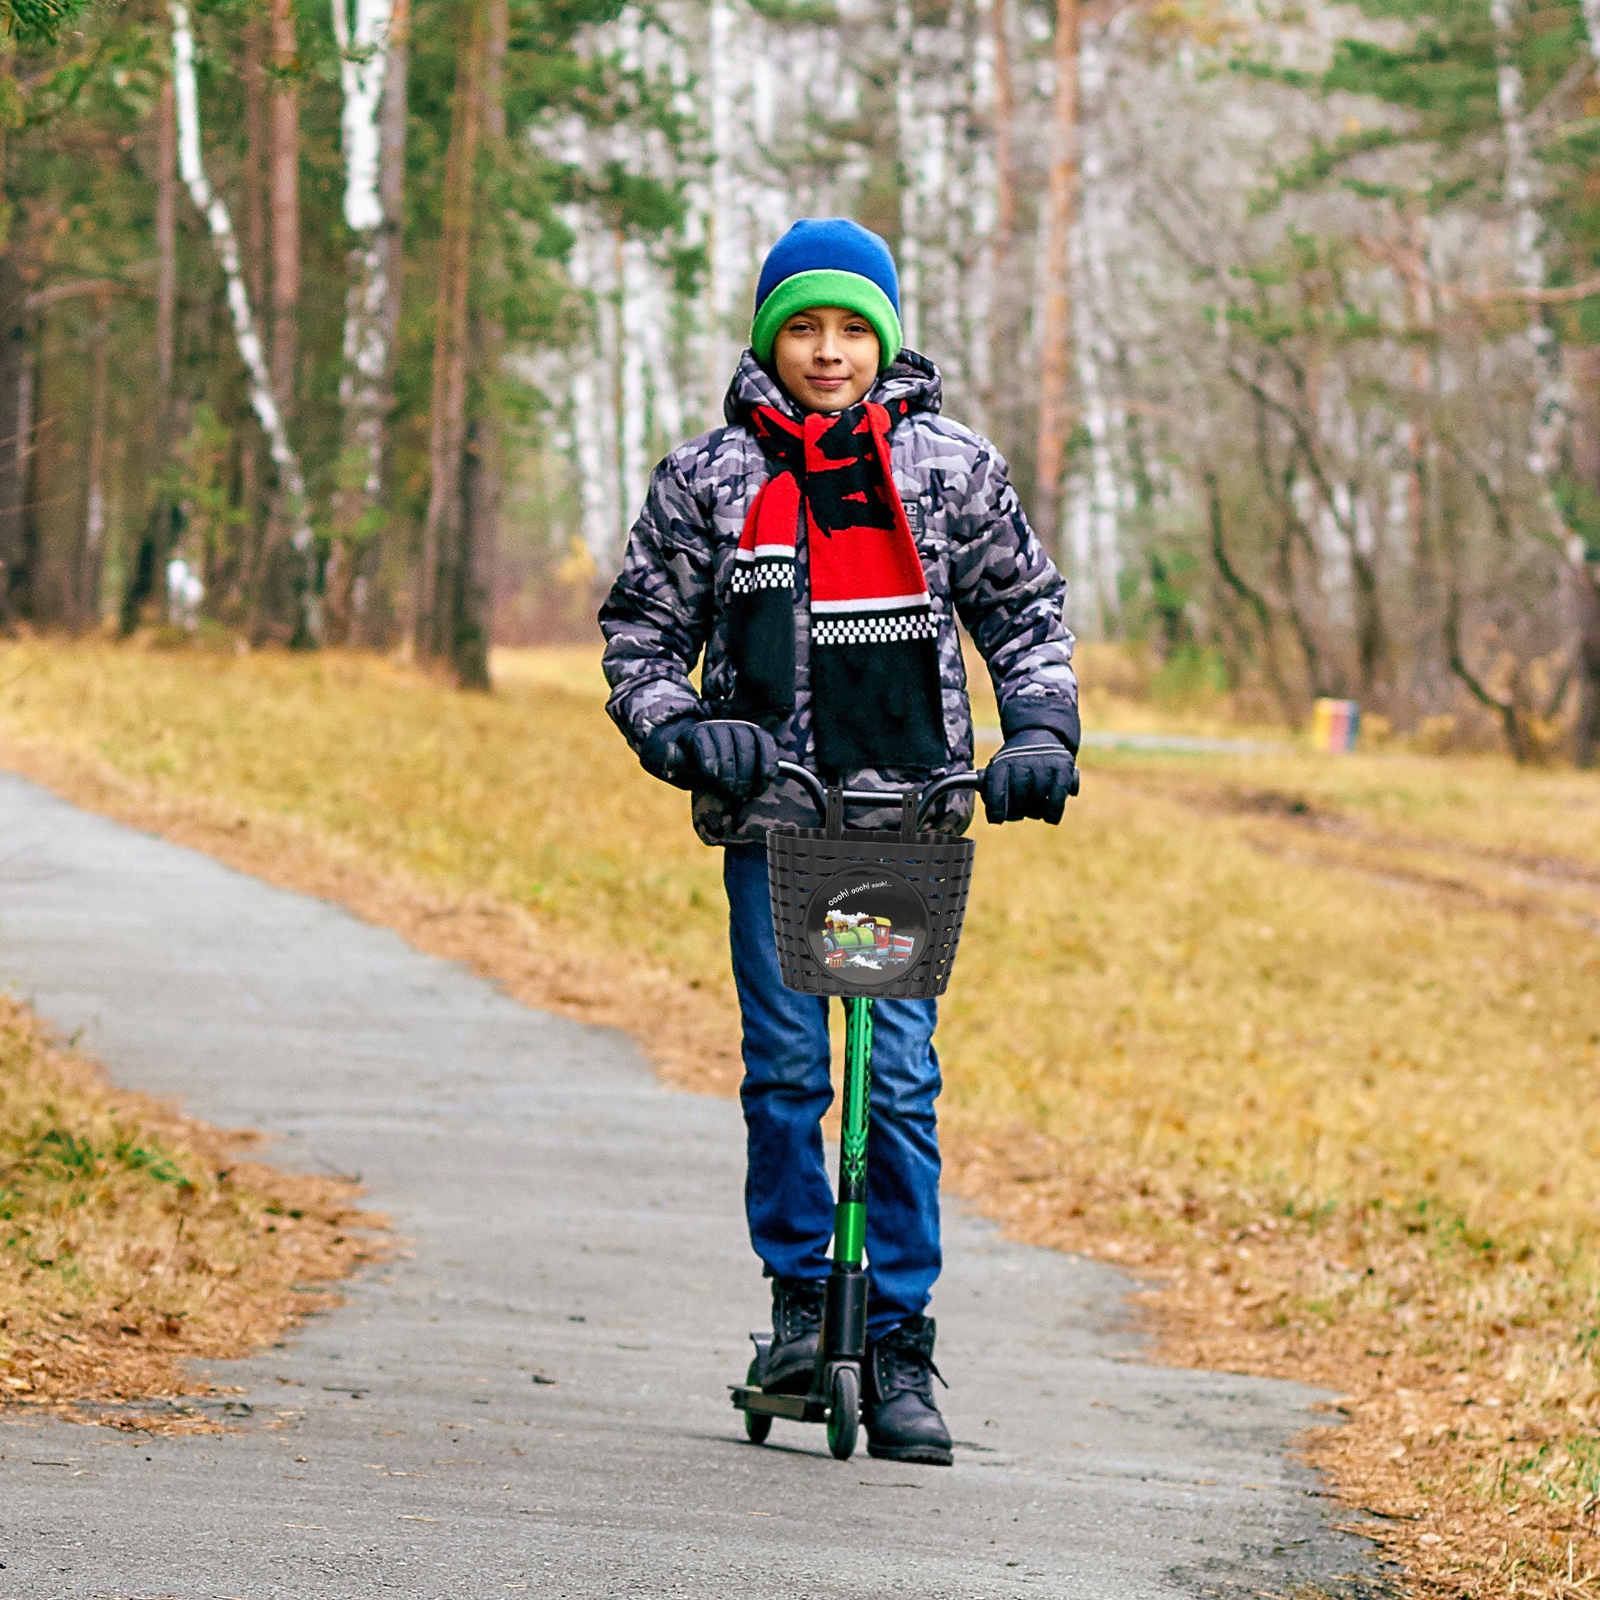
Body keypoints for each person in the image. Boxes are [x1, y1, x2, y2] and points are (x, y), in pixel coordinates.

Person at [599, 217, 1079, 1466]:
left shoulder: (949, 469)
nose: (827, 352)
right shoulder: (709, 477)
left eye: (850, 327)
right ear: (770, 338)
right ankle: (804, 1309)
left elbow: (1023, 611)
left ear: (885, 335)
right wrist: (682, 730)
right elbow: (642, 635)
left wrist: (1037, 730)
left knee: (899, 1083)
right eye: (802, 328)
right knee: (789, 1077)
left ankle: (902, 1334)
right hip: (774, 822)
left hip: (899, 821)